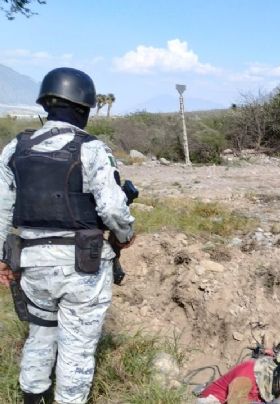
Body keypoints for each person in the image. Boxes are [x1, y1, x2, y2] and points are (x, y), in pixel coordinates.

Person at [0, 67, 135, 404]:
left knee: (40, 336)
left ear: (47, 104)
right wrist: (125, 234)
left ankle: (32, 397)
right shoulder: (90, 148)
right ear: (83, 108)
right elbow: (114, 211)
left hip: (31, 265)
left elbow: (2, 209)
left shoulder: (16, 147)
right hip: (81, 268)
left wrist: (2, 258)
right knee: (76, 349)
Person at [197, 353, 280, 404]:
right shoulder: (248, 373)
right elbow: (235, 401)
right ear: (277, 373)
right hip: (214, 400)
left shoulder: (275, 382)